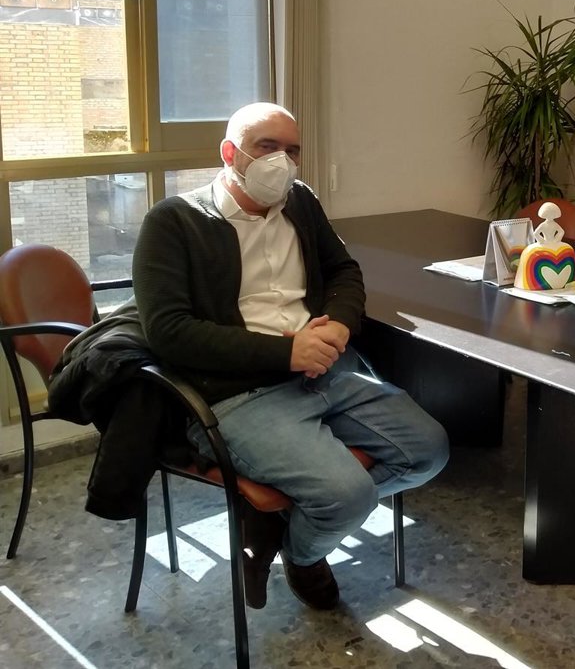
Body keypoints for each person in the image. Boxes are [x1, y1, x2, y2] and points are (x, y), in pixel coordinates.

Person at [132, 103, 449, 611]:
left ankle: (287, 529)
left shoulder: (300, 201)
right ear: (229, 153)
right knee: (345, 495)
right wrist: (287, 352)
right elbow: (170, 333)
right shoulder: (174, 221)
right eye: (267, 146)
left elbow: (343, 271)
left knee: (429, 451)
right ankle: (306, 557)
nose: (282, 160)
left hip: (326, 373)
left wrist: (339, 324)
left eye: (292, 150)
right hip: (239, 394)